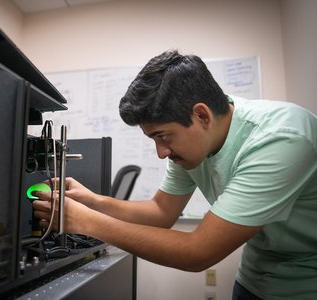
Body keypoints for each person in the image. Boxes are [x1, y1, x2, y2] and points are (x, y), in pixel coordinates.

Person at [33, 50, 317, 300]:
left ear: (202, 116)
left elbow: (198, 252)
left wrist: (86, 221)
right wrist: (93, 201)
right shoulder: (193, 148)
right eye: (153, 139)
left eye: (164, 136)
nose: (160, 152)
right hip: (254, 279)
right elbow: (160, 211)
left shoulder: (280, 138)